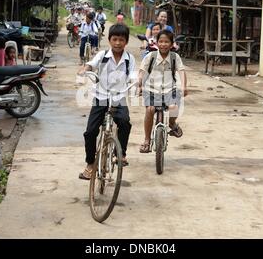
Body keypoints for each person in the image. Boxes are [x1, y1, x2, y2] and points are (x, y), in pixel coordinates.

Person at [77, 24, 136, 180]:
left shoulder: (129, 59)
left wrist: (139, 83)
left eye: (121, 40)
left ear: (126, 41)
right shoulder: (102, 55)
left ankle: (120, 154)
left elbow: (134, 76)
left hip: (118, 97)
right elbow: (91, 64)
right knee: (90, 132)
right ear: (109, 40)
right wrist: (85, 69)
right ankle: (90, 164)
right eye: (115, 39)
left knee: (124, 122)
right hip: (101, 96)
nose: (118, 43)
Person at [138, 30, 188, 153]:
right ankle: (147, 140)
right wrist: (139, 85)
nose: (163, 44)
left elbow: (181, 71)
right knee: (150, 109)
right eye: (161, 41)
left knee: (173, 107)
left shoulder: (175, 57)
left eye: (166, 42)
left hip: (169, 89)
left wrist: (184, 86)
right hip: (151, 89)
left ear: (171, 44)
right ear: (156, 43)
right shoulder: (151, 56)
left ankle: (172, 124)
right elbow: (142, 72)